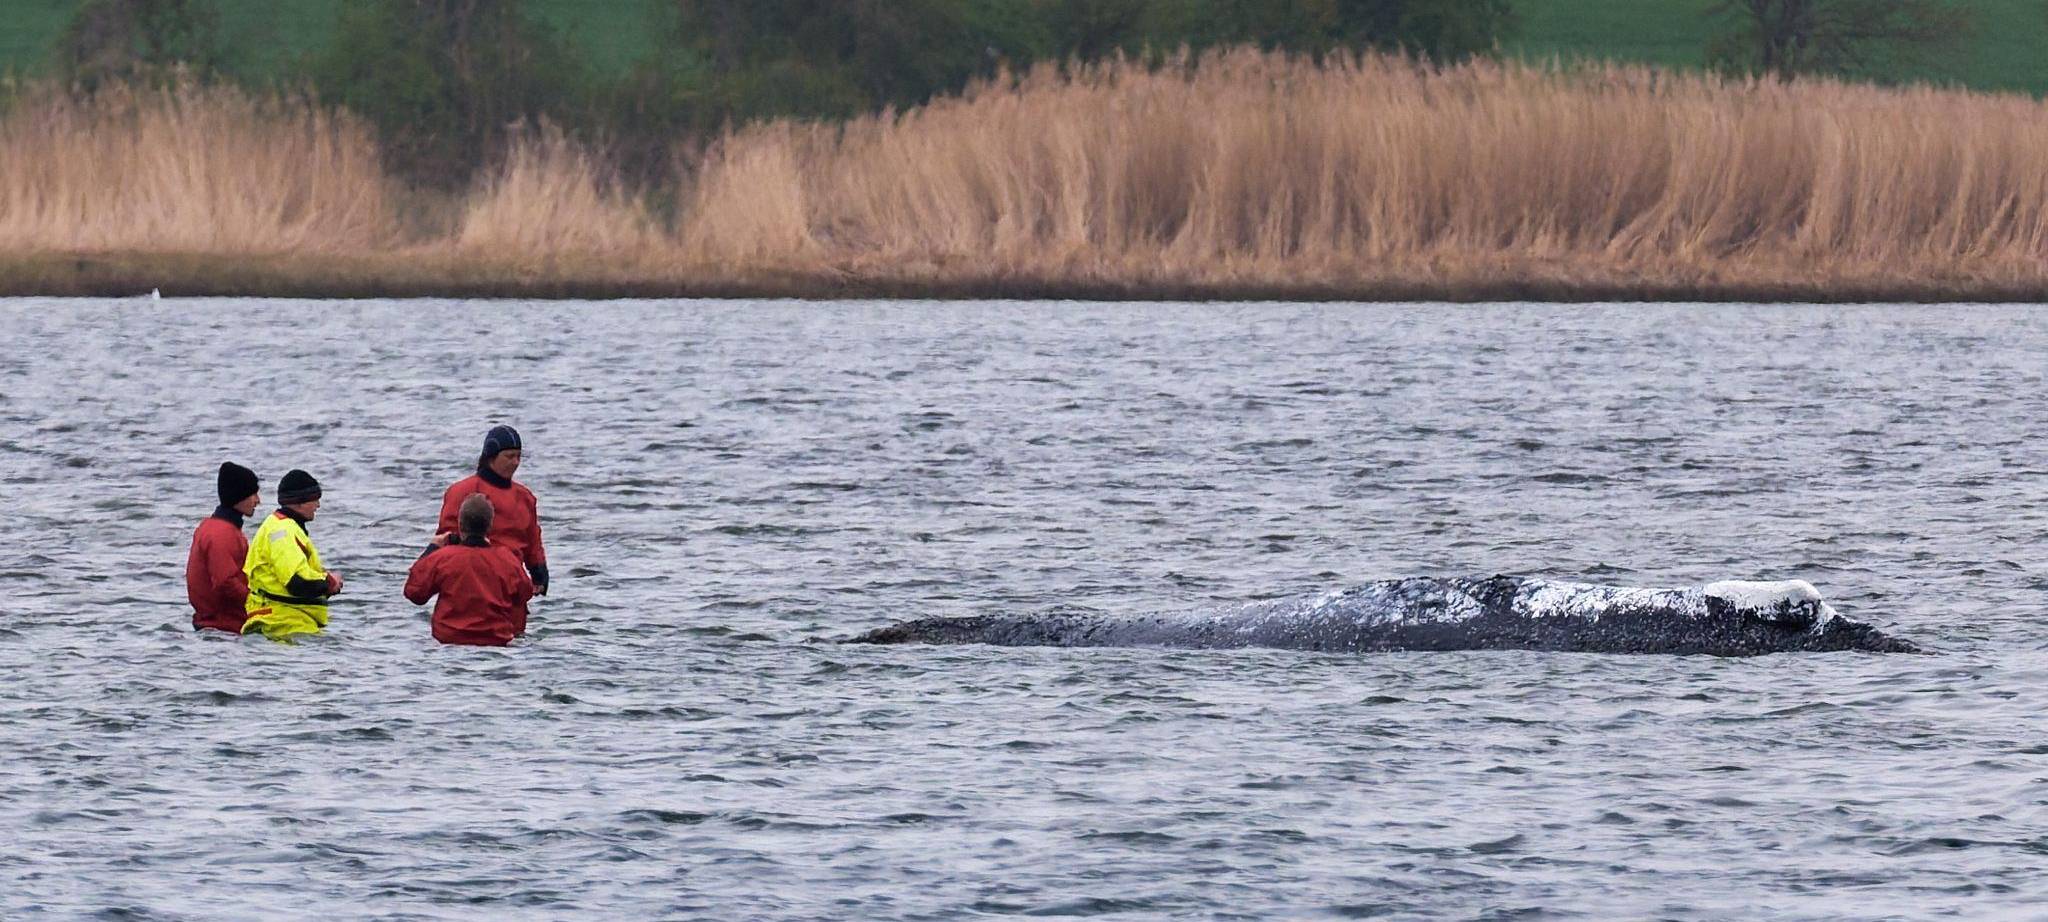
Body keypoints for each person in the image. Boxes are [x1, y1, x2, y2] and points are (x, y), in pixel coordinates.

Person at [406, 494, 535, 646]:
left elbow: (414, 593)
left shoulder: (443, 558)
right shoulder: (507, 560)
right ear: (489, 526)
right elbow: (525, 593)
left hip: (449, 642)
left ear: (460, 524)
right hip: (495, 642)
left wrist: (432, 548)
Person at [438, 425, 547, 604]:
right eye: (509, 456)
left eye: (519, 456)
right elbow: (446, 538)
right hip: (470, 583)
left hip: (511, 585)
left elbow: (532, 540)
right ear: (491, 456)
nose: (516, 462)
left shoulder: (525, 497)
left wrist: (539, 571)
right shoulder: (461, 491)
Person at [241, 469, 342, 642]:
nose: (318, 505)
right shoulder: (283, 532)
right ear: (299, 502)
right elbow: (297, 582)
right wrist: (329, 582)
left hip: (286, 622)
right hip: (285, 626)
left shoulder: (279, 526)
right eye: (314, 499)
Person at [186, 462, 260, 633]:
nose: (258, 500)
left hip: (216, 627)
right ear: (238, 496)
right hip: (224, 630)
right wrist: (258, 602)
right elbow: (225, 582)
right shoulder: (222, 533)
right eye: (253, 494)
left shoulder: (212, 527)